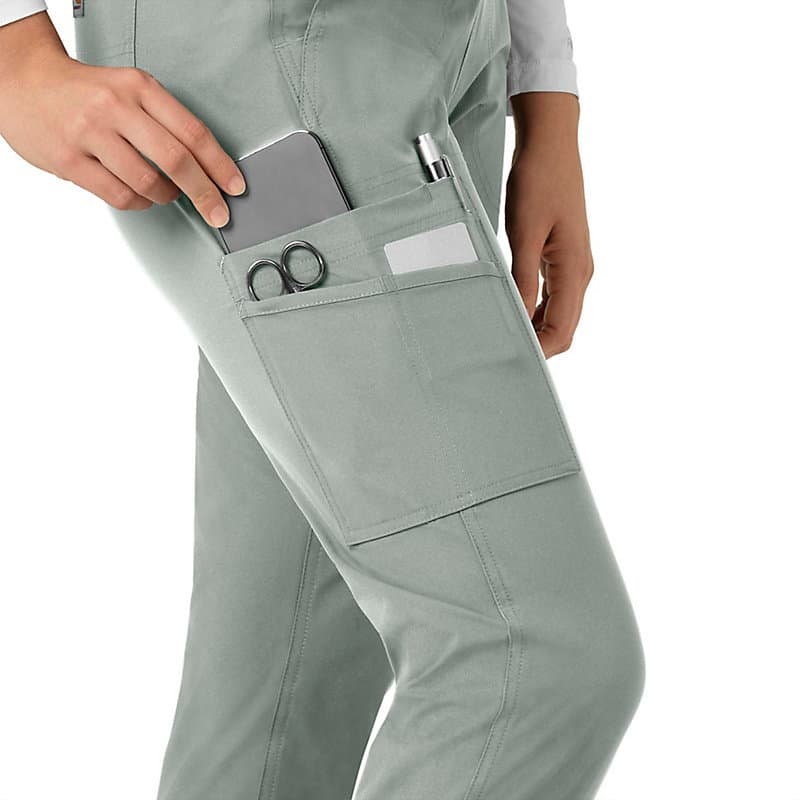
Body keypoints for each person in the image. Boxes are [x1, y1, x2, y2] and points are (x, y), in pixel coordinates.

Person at [0, 2, 645, 798]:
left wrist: (545, 90)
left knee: (281, 698)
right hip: (271, 59)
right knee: (533, 660)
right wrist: (12, 52)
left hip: (450, 54)